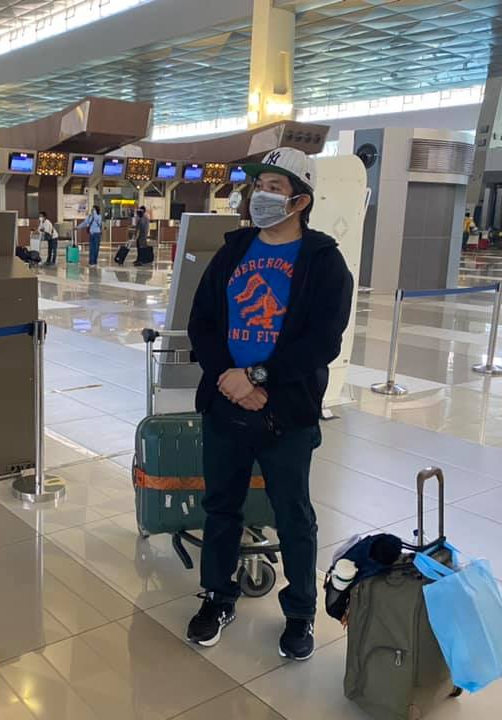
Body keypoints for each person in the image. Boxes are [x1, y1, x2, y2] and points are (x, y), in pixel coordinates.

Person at [185, 147, 353, 660]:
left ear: (300, 201)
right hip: (226, 404)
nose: (260, 195)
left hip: (287, 412)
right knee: (221, 508)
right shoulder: (233, 251)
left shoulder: (323, 261)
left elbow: (323, 341)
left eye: (274, 188)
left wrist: (258, 378)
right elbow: (202, 322)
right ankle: (218, 597)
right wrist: (228, 378)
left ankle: (300, 613)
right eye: (258, 186)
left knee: (293, 514)